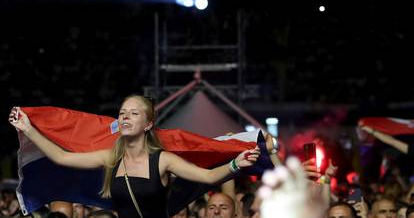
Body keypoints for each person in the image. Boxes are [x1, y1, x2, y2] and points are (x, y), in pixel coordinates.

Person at [8, 95, 260, 218]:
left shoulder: (162, 160)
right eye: (122, 113)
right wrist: (29, 128)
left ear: (148, 124)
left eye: (133, 113)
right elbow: (62, 157)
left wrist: (237, 163)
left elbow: (208, 175)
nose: (125, 117)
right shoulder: (111, 158)